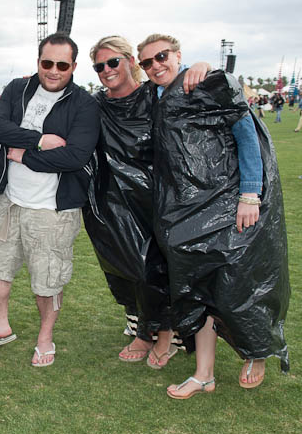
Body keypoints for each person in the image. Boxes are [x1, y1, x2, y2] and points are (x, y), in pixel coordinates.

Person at [137, 33, 289, 398]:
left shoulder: (206, 83)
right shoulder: (153, 97)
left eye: (162, 57)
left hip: (228, 203)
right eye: (147, 62)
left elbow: (246, 135)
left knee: (238, 284)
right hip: (184, 209)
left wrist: (250, 194)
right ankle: (204, 373)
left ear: (178, 55)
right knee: (195, 289)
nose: (156, 65)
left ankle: (256, 353)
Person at [0, 33, 100, 366]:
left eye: (62, 65)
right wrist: (40, 141)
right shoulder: (18, 88)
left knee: (47, 277)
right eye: (47, 63)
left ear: (73, 66)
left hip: (52, 208)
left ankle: (45, 337)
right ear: (38, 61)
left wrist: (24, 157)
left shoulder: (84, 104)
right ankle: (0, 324)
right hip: (12, 199)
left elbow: (75, 156)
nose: (53, 71)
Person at [85, 35, 209, 366]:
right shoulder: (96, 104)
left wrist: (202, 66)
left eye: (113, 62)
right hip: (115, 202)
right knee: (132, 267)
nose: (107, 70)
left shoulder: (155, 96)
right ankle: (147, 328)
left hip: (158, 197)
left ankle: (159, 334)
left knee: (159, 265)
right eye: (100, 66)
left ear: (130, 62)